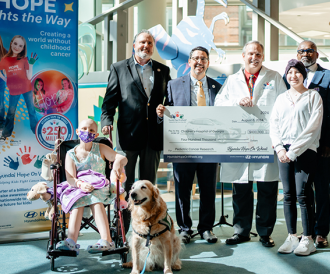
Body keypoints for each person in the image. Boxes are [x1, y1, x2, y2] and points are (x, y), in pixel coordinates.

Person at [215, 40, 287, 247]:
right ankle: (241, 231)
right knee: (241, 189)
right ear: (243, 56)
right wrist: (236, 102)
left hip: (266, 140)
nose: (254, 58)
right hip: (239, 142)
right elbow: (219, 104)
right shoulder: (232, 80)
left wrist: (279, 139)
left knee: (267, 189)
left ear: (262, 57)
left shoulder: (273, 77)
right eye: (250, 54)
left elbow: (282, 106)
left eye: (258, 54)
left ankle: (265, 233)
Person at [100, 30, 171, 233]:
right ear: (134, 45)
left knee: (148, 188)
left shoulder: (163, 71)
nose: (146, 46)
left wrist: (163, 112)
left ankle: (148, 229)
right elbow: (110, 100)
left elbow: (170, 101)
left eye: (149, 43)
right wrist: (106, 121)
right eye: (142, 42)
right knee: (125, 186)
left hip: (153, 138)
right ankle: (121, 230)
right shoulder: (119, 68)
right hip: (128, 137)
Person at [156, 46, 222, 244]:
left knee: (208, 189)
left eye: (203, 59)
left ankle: (206, 228)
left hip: (209, 148)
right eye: (195, 58)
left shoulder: (217, 88)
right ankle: (185, 228)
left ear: (208, 63)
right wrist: (161, 114)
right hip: (183, 147)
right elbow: (167, 111)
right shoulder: (174, 85)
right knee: (182, 190)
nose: (199, 62)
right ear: (189, 62)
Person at [283, 40, 330, 248]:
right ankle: (305, 231)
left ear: (317, 54)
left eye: (309, 50)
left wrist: (329, 144)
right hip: (296, 148)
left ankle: (320, 232)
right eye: (301, 51)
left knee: (321, 188)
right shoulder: (290, 77)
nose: (305, 54)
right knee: (302, 190)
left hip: (321, 146)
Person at [39, 119, 128, 254]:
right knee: (78, 199)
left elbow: (122, 158)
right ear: (77, 132)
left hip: (99, 186)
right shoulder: (71, 154)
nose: (87, 132)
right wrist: (80, 184)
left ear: (96, 134)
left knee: (94, 198)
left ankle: (106, 240)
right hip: (78, 186)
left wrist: (116, 164)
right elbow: (70, 178)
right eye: (84, 129)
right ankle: (71, 241)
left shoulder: (101, 148)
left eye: (91, 130)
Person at [271, 59, 323, 256]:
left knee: (303, 194)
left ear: (303, 74)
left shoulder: (313, 97)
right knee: (288, 195)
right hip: (283, 151)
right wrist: (279, 149)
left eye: (297, 72)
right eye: (290, 72)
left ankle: (307, 239)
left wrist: (293, 151)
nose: (293, 76)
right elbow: (273, 125)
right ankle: (292, 236)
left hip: (305, 150)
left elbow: (313, 128)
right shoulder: (281, 98)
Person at [0, 35, 38, 141]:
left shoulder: (24, 59)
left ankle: (36, 131)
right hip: (13, 90)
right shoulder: (6, 59)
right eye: (15, 44)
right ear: (11, 43)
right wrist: (5, 79)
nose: (17, 47)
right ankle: (5, 134)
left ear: (23, 48)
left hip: (27, 88)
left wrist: (31, 65)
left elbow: (29, 77)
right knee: (11, 112)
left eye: (20, 45)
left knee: (31, 110)